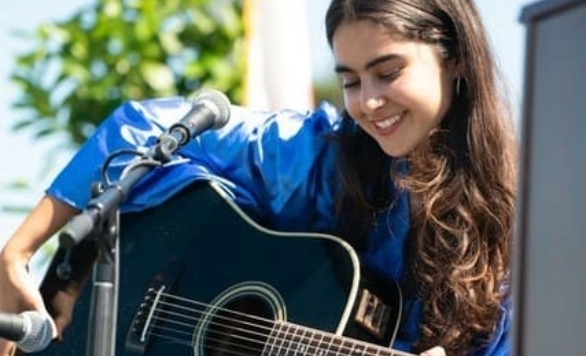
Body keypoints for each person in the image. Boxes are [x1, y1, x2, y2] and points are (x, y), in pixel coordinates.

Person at [0, 0, 518, 355]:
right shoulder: (321, 159)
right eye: (350, 81)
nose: (368, 102)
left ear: (455, 61)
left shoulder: (523, 221)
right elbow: (141, 128)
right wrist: (16, 254)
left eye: (388, 73)